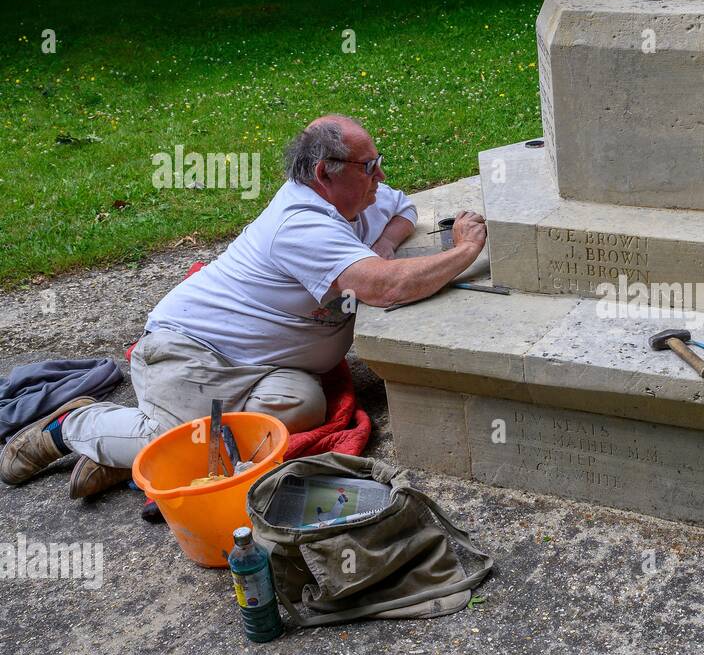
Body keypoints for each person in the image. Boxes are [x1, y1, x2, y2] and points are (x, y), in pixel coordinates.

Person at [2, 115, 487, 500]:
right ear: (324, 174)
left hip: (261, 367)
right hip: (192, 351)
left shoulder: (354, 201)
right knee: (188, 443)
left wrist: (379, 243)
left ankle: (122, 452)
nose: (380, 176)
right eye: (369, 166)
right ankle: (73, 428)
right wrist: (464, 251)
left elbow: (403, 207)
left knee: (301, 410)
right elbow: (385, 289)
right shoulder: (300, 224)